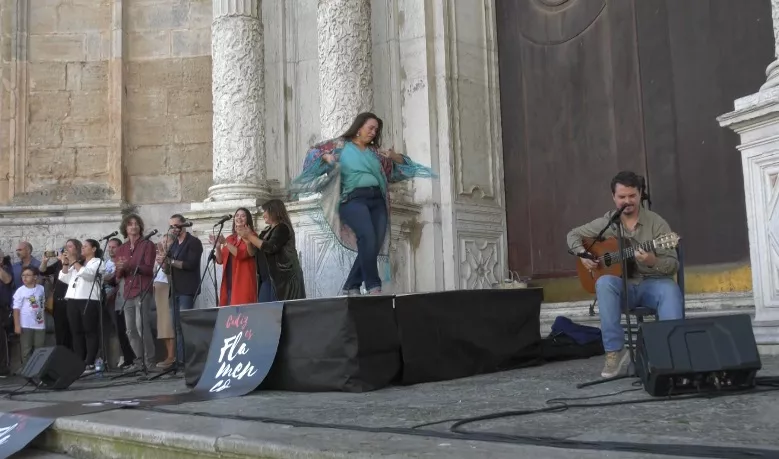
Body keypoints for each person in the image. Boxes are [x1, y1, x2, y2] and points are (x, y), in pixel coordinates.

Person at [291, 112, 436, 295]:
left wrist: (394, 156)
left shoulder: (377, 154)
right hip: (352, 200)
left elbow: (402, 169)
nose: (374, 132)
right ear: (359, 128)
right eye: (371, 128)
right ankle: (373, 285)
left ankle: (351, 285)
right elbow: (312, 156)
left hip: (378, 200)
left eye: (376, 130)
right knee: (367, 236)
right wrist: (325, 159)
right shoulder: (339, 147)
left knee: (374, 243)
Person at [566, 170, 683, 379]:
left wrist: (652, 260)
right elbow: (572, 234)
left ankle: (671, 352)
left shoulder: (657, 223)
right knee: (604, 283)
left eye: (632, 196)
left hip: (651, 284)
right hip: (623, 287)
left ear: (640, 195)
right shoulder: (608, 222)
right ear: (614, 197)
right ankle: (615, 352)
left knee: (670, 290)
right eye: (622, 197)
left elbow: (673, 264)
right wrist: (583, 254)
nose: (627, 201)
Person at [115, 214, 157, 371]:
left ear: (140, 227)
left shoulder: (147, 245)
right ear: (125, 228)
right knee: (130, 329)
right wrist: (119, 269)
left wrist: (130, 265)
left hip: (142, 289)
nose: (133, 226)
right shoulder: (122, 249)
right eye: (130, 224)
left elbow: (148, 269)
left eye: (136, 224)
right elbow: (119, 276)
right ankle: (139, 362)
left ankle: (150, 361)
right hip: (127, 291)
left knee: (142, 326)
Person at [241, 200, 305, 302]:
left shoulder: (283, 228)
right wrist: (248, 241)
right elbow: (254, 252)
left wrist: (249, 235)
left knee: (280, 314)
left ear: (274, 211)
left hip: (283, 281)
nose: (263, 214)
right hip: (267, 279)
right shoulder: (266, 230)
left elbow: (270, 247)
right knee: (264, 313)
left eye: (266, 211)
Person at [160, 214, 203, 366]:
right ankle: (180, 360)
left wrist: (170, 261)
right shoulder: (174, 245)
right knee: (177, 326)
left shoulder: (193, 242)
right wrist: (164, 262)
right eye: (171, 226)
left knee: (186, 324)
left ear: (184, 225)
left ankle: (191, 360)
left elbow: (190, 264)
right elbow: (167, 271)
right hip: (175, 289)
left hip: (187, 289)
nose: (173, 229)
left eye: (176, 226)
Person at [59, 239, 106, 373]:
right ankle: (79, 361)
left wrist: (74, 261)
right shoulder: (79, 264)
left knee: (89, 331)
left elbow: (89, 275)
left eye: (85, 246)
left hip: (89, 299)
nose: (82, 249)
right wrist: (66, 263)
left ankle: (90, 361)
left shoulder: (97, 262)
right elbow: (64, 278)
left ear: (94, 249)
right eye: (82, 247)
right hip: (73, 299)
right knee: (76, 332)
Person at [39, 239, 81, 351]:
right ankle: (62, 357)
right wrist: (44, 261)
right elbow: (43, 271)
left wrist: (65, 261)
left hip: (73, 300)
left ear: (77, 249)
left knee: (74, 330)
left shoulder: (80, 261)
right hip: (59, 301)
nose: (67, 249)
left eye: (70, 247)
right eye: (66, 247)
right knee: (60, 331)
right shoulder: (59, 263)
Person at [212, 208, 258, 306]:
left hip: (243, 282)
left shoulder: (252, 236)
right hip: (228, 282)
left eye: (243, 216)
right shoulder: (230, 238)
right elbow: (220, 261)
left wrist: (225, 243)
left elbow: (243, 255)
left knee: (243, 315)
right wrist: (217, 247)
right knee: (229, 316)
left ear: (248, 219)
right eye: (237, 215)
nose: (239, 218)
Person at [103, 237, 135, 369]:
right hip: (109, 299)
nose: (111, 249)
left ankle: (130, 357)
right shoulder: (105, 263)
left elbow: (118, 278)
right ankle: (122, 357)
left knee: (126, 328)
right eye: (109, 247)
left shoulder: (123, 261)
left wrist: (110, 278)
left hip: (122, 297)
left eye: (113, 247)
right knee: (117, 330)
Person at [12, 266, 46, 365]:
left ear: (35, 277)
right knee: (26, 349)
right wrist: (17, 325)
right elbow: (16, 309)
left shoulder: (41, 288)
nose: (24, 277)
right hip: (26, 324)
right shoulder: (20, 291)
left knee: (39, 349)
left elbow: (42, 303)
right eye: (23, 275)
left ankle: (39, 370)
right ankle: (28, 372)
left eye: (28, 275)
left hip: (39, 324)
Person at [153, 235, 175, 368]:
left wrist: (165, 261)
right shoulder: (159, 256)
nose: (164, 243)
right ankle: (168, 355)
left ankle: (172, 355)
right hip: (158, 287)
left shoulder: (174, 255)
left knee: (168, 323)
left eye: (167, 241)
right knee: (162, 324)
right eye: (162, 241)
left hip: (168, 287)